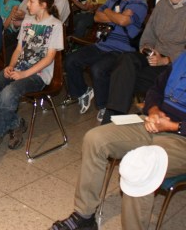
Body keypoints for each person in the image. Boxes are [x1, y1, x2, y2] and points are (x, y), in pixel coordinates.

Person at [49, 51, 186, 230]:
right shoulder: (182, 58)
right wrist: (153, 111)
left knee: (141, 166)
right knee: (95, 139)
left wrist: (174, 126)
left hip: (181, 138)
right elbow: (156, 89)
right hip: (154, 123)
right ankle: (84, 216)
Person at [0, 0, 63, 150]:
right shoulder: (27, 21)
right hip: (19, 69)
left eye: (31, 1)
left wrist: (24, 74)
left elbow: (49, 58)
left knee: (8, 92)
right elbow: (19, 49)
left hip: (38, 75)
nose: (27, 5)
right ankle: (16, 123)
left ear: (43, 4)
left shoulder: (55, 25)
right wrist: (11, 66)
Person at [102, 0, 186, 123]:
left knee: (123, 77)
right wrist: (147, 48)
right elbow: (148, 33)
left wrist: (166, 60)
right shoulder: (162, 4)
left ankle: (112, 119)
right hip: (153, 56)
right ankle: (116, 116)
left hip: (175, 65)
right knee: (126, 59)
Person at [65, 0, 147, 120]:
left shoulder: (140, 4)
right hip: (102, 44)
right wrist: (117, 14)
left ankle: (103, 106)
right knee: (71, 60)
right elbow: (97, 16)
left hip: (123, 50)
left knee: (98, 69)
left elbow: (123, 21)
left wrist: (109, 12)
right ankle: (83, 92)